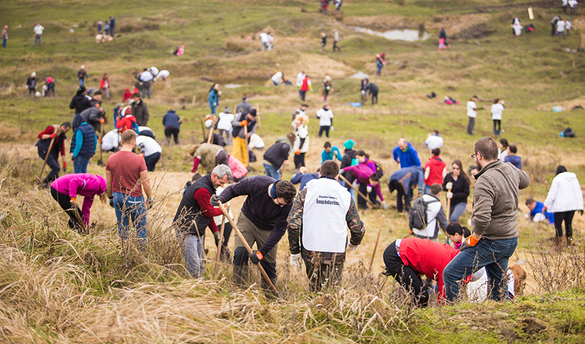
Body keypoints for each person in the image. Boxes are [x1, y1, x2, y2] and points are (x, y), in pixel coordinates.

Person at [443, 137, 530, 303]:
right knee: (498, 288)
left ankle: (453, 316)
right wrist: (508, 171)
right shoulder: (509, 169)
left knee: (451, 273)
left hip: (492, 241)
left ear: (479, 156)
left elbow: (482, 218)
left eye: (474, 156)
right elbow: (525, 180)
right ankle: (502, 318)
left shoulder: (485, 179)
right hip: (509, 239)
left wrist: (473, 239)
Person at [211, 176, 297, 295]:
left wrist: (262, 252)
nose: (281, 206)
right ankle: (240, 292)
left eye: (283, 205)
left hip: (269, 228)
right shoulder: (256, 183)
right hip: (248, 220)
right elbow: (233, 190)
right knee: (241, 253)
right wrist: (221, 198)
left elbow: (279, 229)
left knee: (269, 264)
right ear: (273, 194)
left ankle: (270, 298)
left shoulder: (288, 203)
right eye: (279, 203)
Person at [288, 160, 366, 291]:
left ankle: (313, 308)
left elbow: (293, 224)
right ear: (337, 177)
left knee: (315, 287)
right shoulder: (345, 195)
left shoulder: (306, 192)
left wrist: (294, 250)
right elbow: (357, 226)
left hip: (310, 248)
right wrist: (355, 241)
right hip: (336, 249)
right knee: (332, 291)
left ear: (319, 174)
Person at [173, 165, 232, 278]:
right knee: (193, 267)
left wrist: (215, 231)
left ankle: (198, 287)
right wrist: (222, 210)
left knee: (200, 264)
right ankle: (193, 291)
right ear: (214, 176)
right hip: (186, 230)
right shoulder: (202, 189)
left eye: (224, 183)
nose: (222, 185)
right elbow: (208, 212)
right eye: (221, 182)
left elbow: (205, 214)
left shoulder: (210, 186)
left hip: (196, 230)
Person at [105, 130, 152, 250]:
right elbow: (145, 182)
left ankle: (124, 252)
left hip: (118, 197)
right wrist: (150, 198)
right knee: (140, 229)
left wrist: (110, 197)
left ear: (121, 141)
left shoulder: (111, 158)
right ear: (133, 142)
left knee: (122, 228)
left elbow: (108, 183)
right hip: (135, 199)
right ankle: (142, 255)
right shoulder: (139, 160)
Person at [383, 237, 459, 307]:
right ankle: (413, 318)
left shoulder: (453, 254)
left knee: (420, 294)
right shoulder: (448, 268)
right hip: (396, 255)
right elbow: (443, 300)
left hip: (403, 250)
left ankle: (414, 313)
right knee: (422, 296)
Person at [543, 165, 584, 248]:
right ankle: (569, 244)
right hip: (572, 206)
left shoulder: (557, 179)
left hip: (560, 207)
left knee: (558, 226)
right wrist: (581, 206)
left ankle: (559, 246)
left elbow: (552, 194)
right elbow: (578, 192)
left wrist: (546, 205)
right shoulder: (574, 179)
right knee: (569, 224)